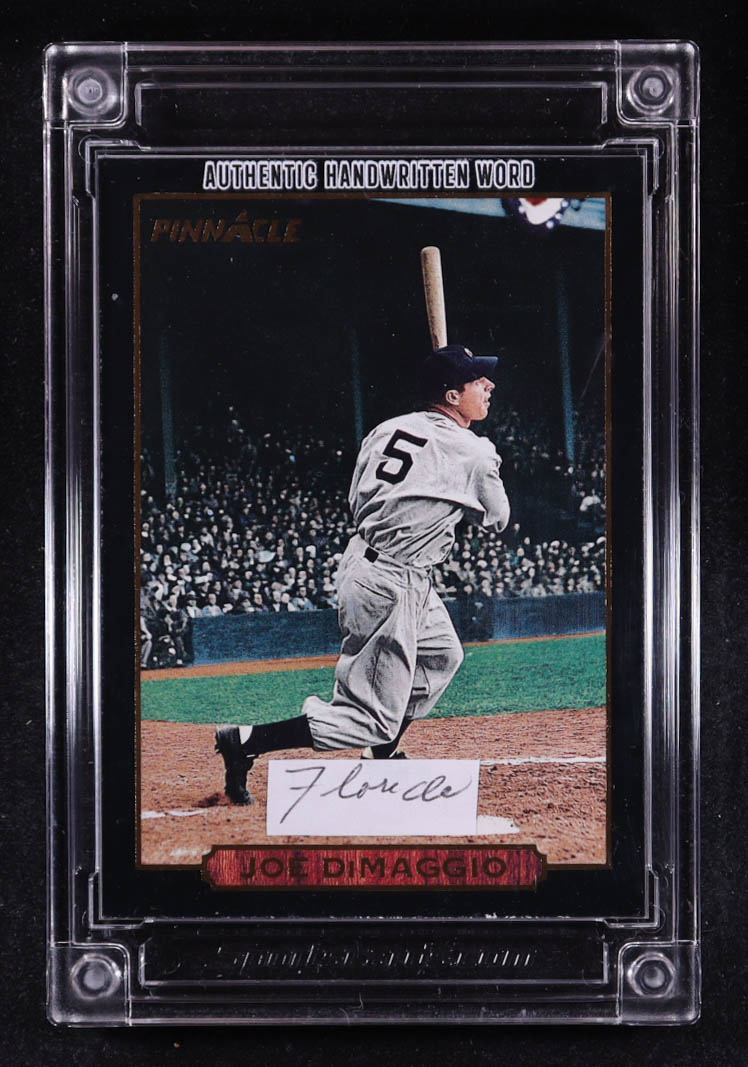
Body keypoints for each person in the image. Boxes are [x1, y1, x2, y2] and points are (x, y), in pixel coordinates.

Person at [215, 345, 511, 804]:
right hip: (391, 581)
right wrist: (483, 457)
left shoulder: (387, 429)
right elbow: (496, 519)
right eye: (477, 380)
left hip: (378, 564)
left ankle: (383, 753)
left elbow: (359, 497)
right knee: (369, 716)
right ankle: (247, 741)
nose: (488, 385)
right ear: (453, 396)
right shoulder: (472, 452)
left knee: (440, 656)